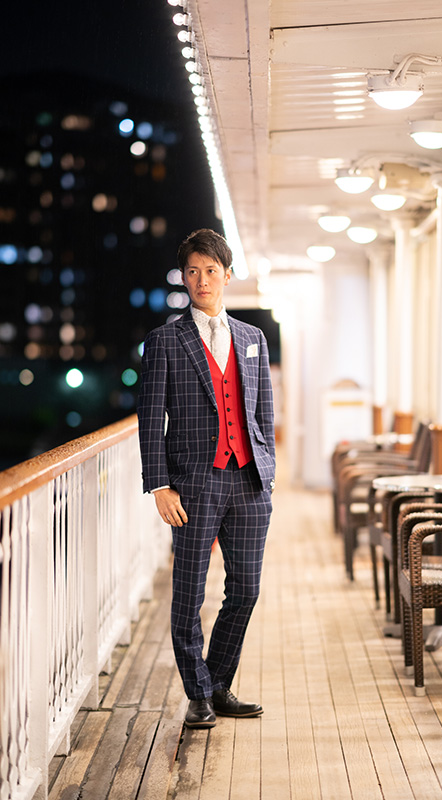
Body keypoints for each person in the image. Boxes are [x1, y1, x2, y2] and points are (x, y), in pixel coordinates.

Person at [137, 228, 276, 729]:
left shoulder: (252, 339)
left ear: (227, 275)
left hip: (249, 483)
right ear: (184, 277)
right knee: (189, 595)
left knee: (246, 590)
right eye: (192, 272)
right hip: (194, 483)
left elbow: (263, 413)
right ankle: (197, 694)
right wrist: (159, 485)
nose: (201, 280)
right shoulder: (165, 340)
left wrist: (269, 470)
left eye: (211, 271)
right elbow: (150, 418)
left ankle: (216, 684)